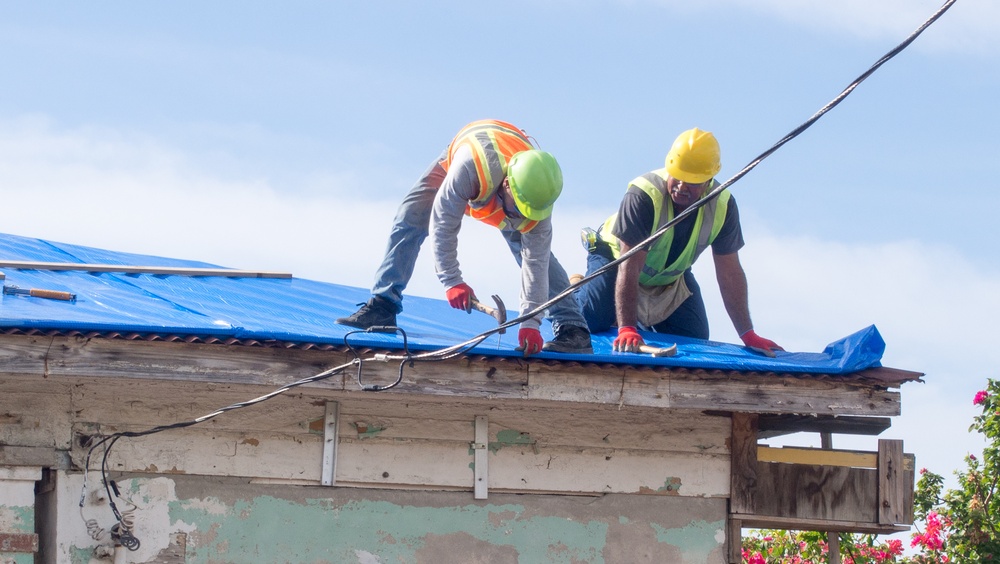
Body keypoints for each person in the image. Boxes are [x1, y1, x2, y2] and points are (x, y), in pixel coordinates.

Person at [337, 119, 593, 356]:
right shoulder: (469, 169)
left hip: (506, 153)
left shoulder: (537, 201)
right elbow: (443, 221)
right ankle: (383, 306)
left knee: (537, 252)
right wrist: (452, 280)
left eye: (529, 213)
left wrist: (531, 322)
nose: (522, 218)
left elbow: (535, 264)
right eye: (518, 209)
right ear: (506, 185)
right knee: (411, 216)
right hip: (471, 148)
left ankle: (573, 328)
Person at [575, 127, 782, 354]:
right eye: (678, 177)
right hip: (615, 260)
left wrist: (747, 334)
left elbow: (730, 273)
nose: (681, 187)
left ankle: (633, 319)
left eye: (692, 182)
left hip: (669, 276)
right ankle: (575, 289)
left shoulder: (723, 206)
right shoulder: (643, 195)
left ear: (709, 180)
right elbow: (629, 265)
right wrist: (627, 328)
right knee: (590, 318)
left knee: (693, 337)